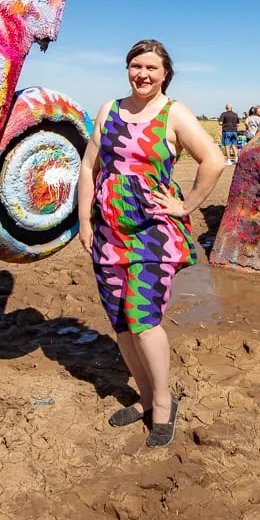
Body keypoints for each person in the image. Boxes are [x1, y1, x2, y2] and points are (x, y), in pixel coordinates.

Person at [77, 40, 226, 447]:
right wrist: (84, 222)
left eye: (151, 68)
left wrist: (185, 205)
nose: (142, 74)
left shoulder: (173, 112)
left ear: (165, 74)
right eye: (135, 66)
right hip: (107, 231)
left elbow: (213, 160)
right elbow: (90, 167)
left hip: (152, 232)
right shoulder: (110, 109)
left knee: (143, 318)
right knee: (121, 322)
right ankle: (144, 398)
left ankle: (163, 403)